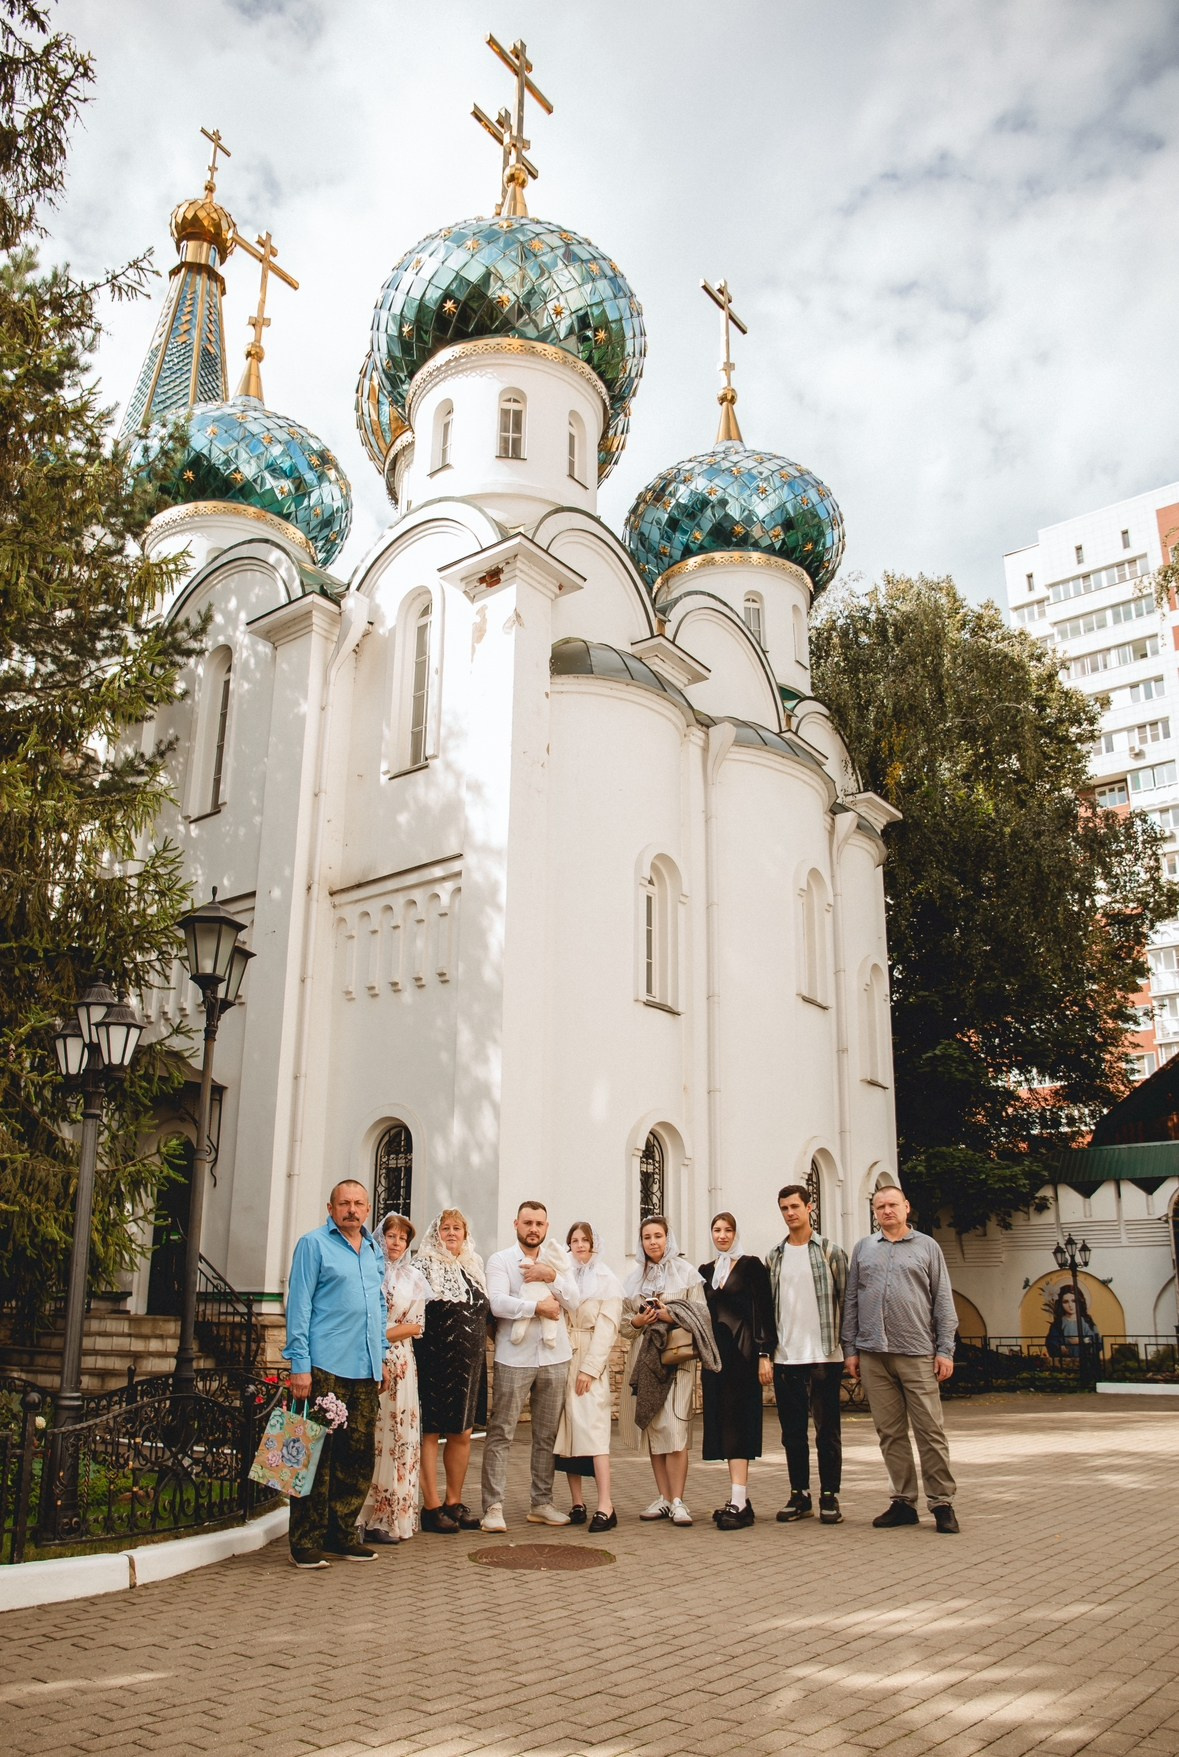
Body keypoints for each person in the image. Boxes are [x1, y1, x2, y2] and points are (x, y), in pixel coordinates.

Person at [282, 1179, 389, 1568]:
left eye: (359, 1203)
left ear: (367, 1208)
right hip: (323, 1367)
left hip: (364, 1368)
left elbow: (378, 1304)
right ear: (331, 1208)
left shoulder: (373, 1249)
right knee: (313, 1456)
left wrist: (382, 1356)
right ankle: (305, 1542)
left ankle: (341, 1535)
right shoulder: (314, 1244)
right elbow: (300, 1306)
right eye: (344, 1203)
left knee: (357, 1457)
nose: (352, 1210)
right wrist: (300, 1365)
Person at [842, 1184, 960, 1534]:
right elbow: (851, 1301)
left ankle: (942, 1503)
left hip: (917, 1352)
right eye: (880, 1207)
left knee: (930, 1431)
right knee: (890, 1432)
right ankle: (903, 1502)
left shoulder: (927, 1247)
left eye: (892, 1205)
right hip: (874, 1355)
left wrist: (945, 1350)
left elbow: (942, 1301)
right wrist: (850, 1349)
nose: (886, 1211)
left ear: (906, 1207)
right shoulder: (864, 1249)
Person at [480, 1200, 581, 1532]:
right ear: (516, 1224)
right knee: (501, 1433)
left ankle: (541, 1503)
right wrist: (536, 1307)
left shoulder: (558, 1261)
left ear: (547, 1228)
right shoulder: (500, 1261)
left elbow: (574, 1301)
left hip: (555, 1358)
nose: (533, 1229)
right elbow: (497, 1303)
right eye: (528, 1223)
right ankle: (493, 1507)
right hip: (514, 1357)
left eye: (539, 1223)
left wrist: (551, 1276)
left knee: (547, 1435)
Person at [764, 1183, 849, 1527]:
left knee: (827, 1431)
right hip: (786, 1356)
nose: (790, 1213)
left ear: (809, 1207)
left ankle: (830, 1495)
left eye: (795, 1206)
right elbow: (770, 1309)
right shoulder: (775, 1256)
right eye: (784, 1208)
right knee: (792, 1433)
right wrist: (767, 1354)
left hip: (825, 1355)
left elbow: (847, 1301)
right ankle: (800, 1494)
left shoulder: (830, 1252)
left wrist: (851, 1349)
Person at [619, 1214, 710, 1527]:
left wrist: (670, 1315)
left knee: (675, 1429)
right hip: (645, 1360)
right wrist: (638, 1321)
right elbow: (624, 1325)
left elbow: (701, 1314)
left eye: (657, 1236)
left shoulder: (686, 1272)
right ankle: (663, 1497)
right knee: (654, 1427)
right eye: (647, 1237)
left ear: (667, 1239)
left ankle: (678, 1499)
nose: (652, 1242)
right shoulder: (633, 1279)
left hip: (677, 1360)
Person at [357, 1212, 433, 1543]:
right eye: (391, 1236)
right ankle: (361, 1513)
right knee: (371, 1433)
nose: (397, 1243)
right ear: (380, 1238)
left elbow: (417, 1325)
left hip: (400, 1361)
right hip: (366, 1358)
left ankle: (390, 1516)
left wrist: (378, 1333)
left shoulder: (413, 1279)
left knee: (398, 1433)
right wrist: (376, 1335)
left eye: (403, 1239)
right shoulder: (367, 1271)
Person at [413, 1208, 490, 1533]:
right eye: (446, 1227)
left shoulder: (474, 1266)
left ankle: (453, 1502)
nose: (452, 1233)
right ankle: (430, 1507)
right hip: (433, 1360)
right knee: (430, 1432)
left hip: (470, 1363)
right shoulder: (422, 1266)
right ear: (436, 1233)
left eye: (458, 1227)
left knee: (462, 1432)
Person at [701, 1212, 776, 1529]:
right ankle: (738, 1499)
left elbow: (763, 1309)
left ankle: (740, 1499)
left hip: (744, 1357)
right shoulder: (706, 1271)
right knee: (723, 1426)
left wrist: (764, 1352)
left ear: (735, 1233)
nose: (721, 1235)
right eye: (716, 1230)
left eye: (727, 1230)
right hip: (716, 1359)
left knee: (739, 1425)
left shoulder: (751, 1266)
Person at [553, 1221, 625, 1532]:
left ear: (595, 1244)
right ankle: (577, 1502)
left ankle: (606, 1505)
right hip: (563, 1356)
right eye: (575, 1240)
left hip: (588, 1359)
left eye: (586, 1240)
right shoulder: (564, 1276)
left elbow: (607, 1330)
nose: (580, 1245)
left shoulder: (607, 1280)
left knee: (594, 1431)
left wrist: (590, 1369)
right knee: (568, 1431)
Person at [1046, 1285, 1101, 1364]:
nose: (1070, 1305)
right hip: (1065, 1362)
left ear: (1080, 1301)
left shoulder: (1086, 1321)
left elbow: (1096, 1340)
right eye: (1065, 1302)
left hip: (1085, 1361)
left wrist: (1082, 1341)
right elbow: (1052, 1341)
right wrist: (1060, 1348)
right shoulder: (1058, 1323)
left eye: (1074, 1301)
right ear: (1060, 1303)